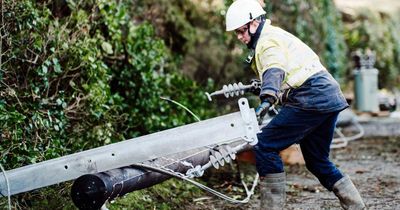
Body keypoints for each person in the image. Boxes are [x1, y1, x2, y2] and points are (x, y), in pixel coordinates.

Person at [225, 0, 366, 209]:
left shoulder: (267, 41)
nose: (239, 37)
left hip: (311, 97)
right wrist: (264, 87)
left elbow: (274, 67)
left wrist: (268, 98)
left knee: (264, 145)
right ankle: (356, 206)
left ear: (254, 23)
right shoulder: (275, 35)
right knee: (317, 160)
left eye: (241, 31)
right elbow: (289, 74)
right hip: (327, 95)